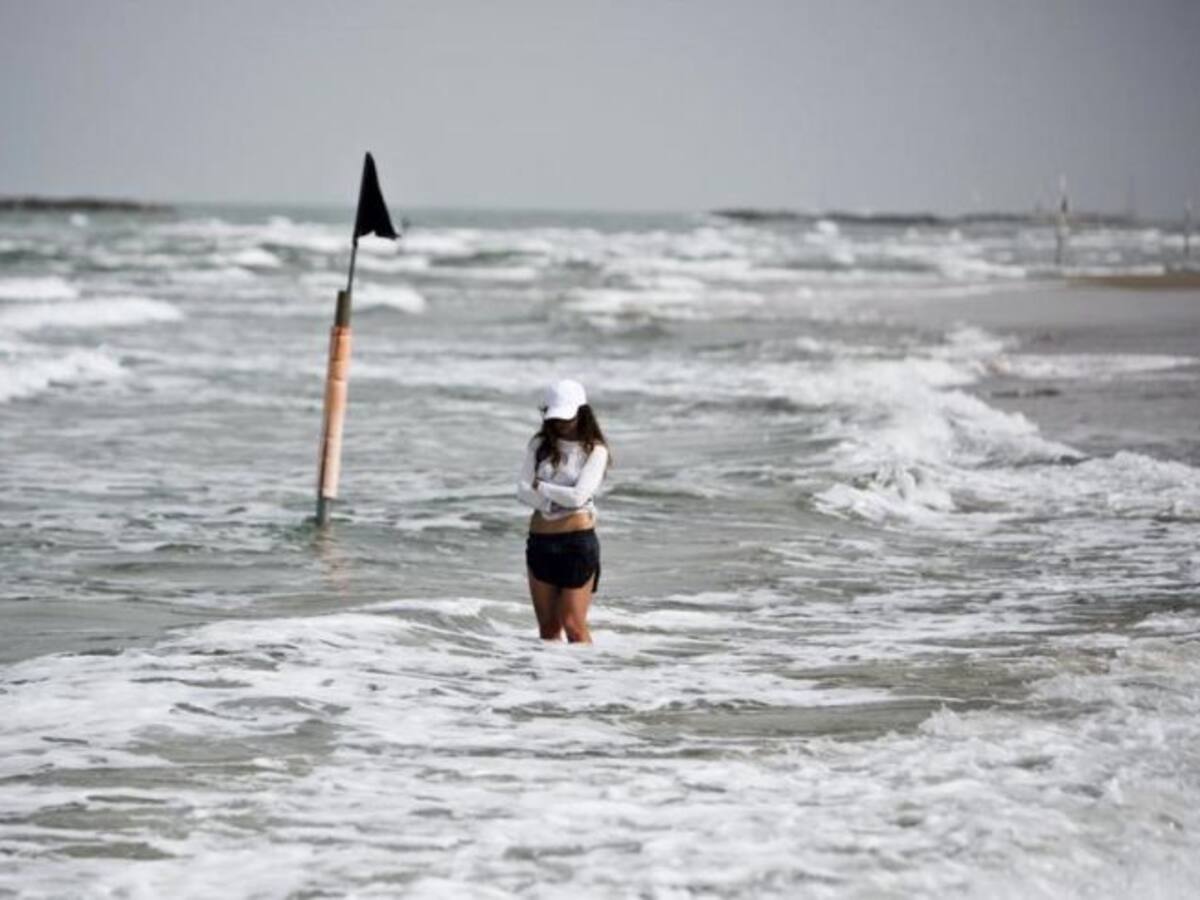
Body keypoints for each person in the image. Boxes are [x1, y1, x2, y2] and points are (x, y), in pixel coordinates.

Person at [516, 379, 611, 643]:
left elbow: (579, 496)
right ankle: (554, 684)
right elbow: (522, 490)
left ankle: (587, 682)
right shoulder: (539, 445)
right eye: (556, 417)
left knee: (573, 625)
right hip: (540, 543)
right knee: (548, 630)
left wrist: (542, 488)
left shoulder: (595, 450)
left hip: (576, 545)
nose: (561, 423)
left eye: (567, 417)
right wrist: (551, 501)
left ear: (582, 412)